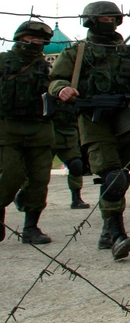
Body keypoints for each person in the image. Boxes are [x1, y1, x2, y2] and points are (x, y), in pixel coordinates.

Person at [49, 2, 130, 260]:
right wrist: (62, 89)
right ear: (91, 21)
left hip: (126, 121)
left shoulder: (127, 54)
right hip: (94, 121)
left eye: (112, 18)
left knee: (121, 176)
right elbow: (55, 79)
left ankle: (108, 230)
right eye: (103, 18)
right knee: (113, 177)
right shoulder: (77, 53)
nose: (109, 22)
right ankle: (117, 234)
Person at [0, 21, 56, 245]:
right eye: (31, 38)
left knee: (39, 180)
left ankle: (31, 227)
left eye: (41, 39)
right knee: (10, 175)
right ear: (20, 38)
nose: (36, 42)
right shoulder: (4, 61)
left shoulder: (47, 67)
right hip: (7, 128)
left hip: (40, 128)